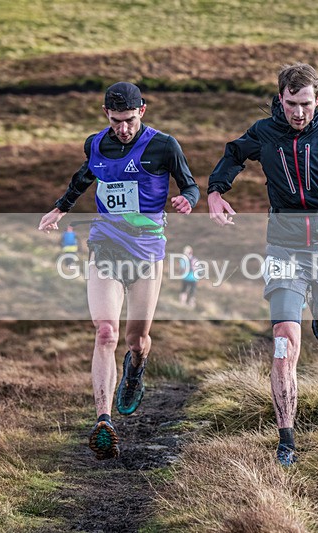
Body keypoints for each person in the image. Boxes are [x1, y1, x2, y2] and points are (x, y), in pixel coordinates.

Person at [208, 63, 318, 466]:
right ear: (281, 99)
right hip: (283, 249)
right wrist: (216, 191)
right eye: (291, 104)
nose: (298, 112)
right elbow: (234, 154)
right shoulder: (265, 132)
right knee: (284, 344)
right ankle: (286, 439)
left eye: (306, 104)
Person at [38, 82, 199, 459]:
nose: (123, 129)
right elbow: (84, 176)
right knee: (106, 332)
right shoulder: (97, 143)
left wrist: (186, 200)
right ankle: (103, 419)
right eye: (115, 121)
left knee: (135, 339)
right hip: (106, 246)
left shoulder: (164, 146)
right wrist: (60, 209)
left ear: (142, 110)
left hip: (147, 254)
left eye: (128, 120)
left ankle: (136, 369)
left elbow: (190, 185)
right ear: (106, 116)